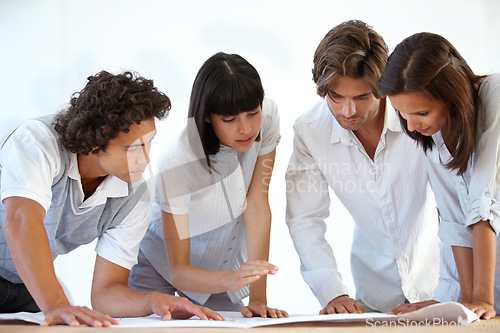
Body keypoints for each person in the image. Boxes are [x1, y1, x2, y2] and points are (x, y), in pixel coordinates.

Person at [0, 71, 223, 327]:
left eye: (149, 143)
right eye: (133, 148)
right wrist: (56, 303)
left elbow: (106, 293)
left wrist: (151, 301)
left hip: (25, 289)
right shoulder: (37, 141)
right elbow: (20, 221)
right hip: (36, 288)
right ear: (94, 144)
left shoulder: (133, 195)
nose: (146, 158)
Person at [285, 20, 453, 314]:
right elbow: (305, 219)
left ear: (383, 87)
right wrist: (332, 293)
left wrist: (451, 289)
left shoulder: (420, 117)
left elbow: (457, 207)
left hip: (440, 290)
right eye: (335, 97)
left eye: (361, 97)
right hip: (372, 300)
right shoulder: (309, 131)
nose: (347, 111)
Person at [129, 52, 287, 318]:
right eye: (229, 119)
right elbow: (178, 270)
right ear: (206, 117)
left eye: (252, 113)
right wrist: (229, 280)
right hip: (161, 261)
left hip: (218, 268)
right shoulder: (179, 160)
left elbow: (257, 207)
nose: (246, 128)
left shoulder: (268, 118)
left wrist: (258, 298)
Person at [379, 32, 499, 319]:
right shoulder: (430, 131)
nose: (410, 124)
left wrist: (482, 298)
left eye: (421, 112)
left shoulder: (494, 93)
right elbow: (453, 217)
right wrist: (464, 303)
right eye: (401, 113)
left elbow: (485, 202)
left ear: (451, 94)